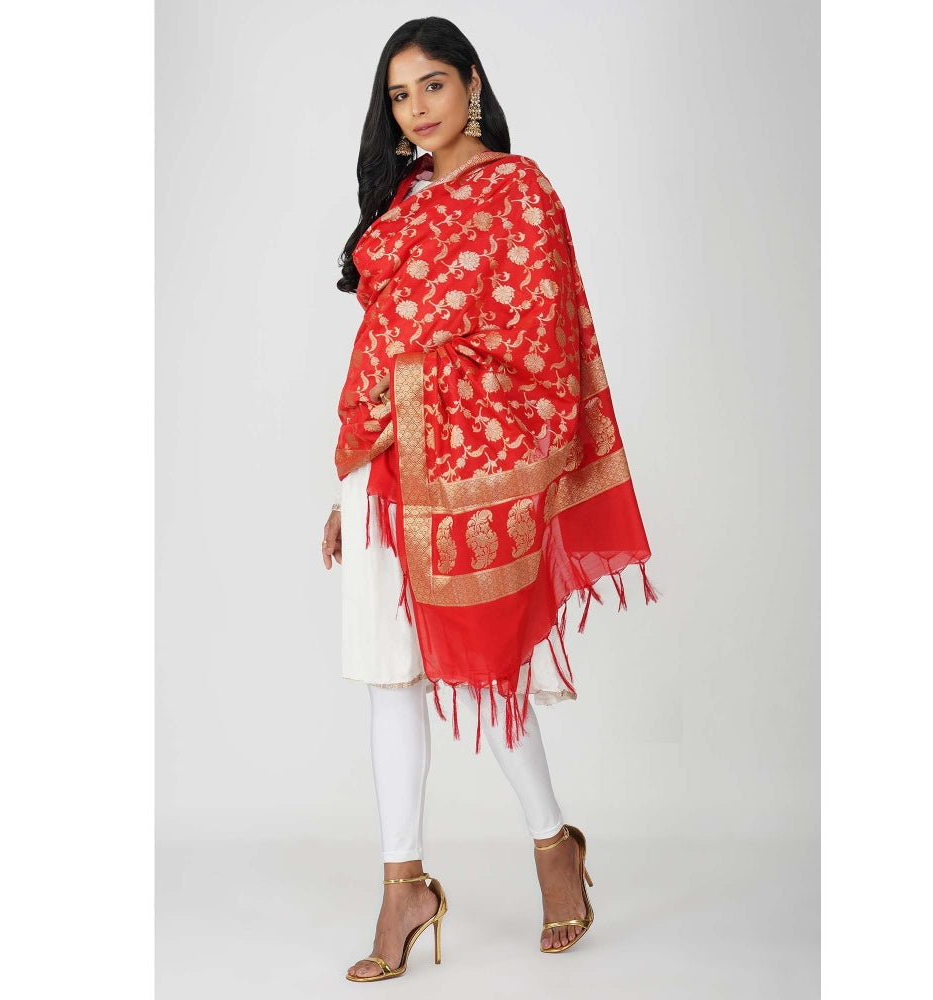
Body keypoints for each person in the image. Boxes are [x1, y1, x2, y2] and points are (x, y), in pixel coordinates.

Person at [321, 16, 657, 983]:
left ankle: (554, 844)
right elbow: (380, 349)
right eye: (398, 95)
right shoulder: (401, 208)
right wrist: (350, 484)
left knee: (486, 671)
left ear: (471, 83)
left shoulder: (519, 191)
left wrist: (433, 393)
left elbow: (541, 342)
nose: (415, 109)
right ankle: (403, 886)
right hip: (384, 467)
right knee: (389, 676)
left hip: (474, 466)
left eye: (431, 85)